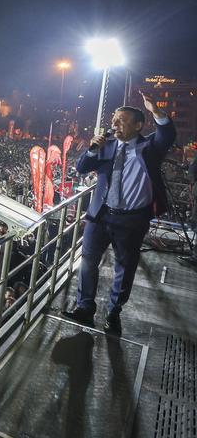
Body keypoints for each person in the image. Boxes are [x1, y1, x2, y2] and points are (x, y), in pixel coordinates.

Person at [64, 94, 175, 334]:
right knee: (88, 261)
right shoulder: (107, 145)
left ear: (138, 125)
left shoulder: (150, 148)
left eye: (121, 120)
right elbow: (82, 167)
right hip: (100, 215)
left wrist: (156, 110)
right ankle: (85, 307)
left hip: (132, 219)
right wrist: (93, 149)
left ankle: (114, 312)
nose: (114, 125)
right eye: (113, 120)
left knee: (124, 268)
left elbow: (167, 134)